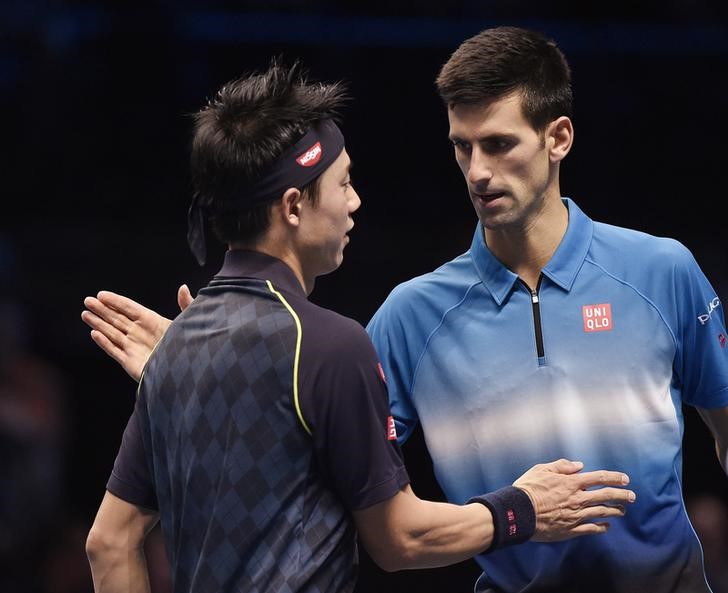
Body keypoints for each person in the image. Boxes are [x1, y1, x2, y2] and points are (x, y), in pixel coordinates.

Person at [82, 59, 636, 593]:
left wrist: (190, 374)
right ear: (294, 207)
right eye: (343, 184)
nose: (355, 202)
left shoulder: (177, 354)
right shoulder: (330, 345)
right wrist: (524, 509)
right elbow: (400, 539)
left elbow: (108, 544)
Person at [366, 26, 728, 592]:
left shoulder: (664, 272)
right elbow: (352, 489)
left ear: (558, 138)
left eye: (499, 144)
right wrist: (210, 356)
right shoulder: (410, 316)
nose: (477, 172)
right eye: (462, 146)